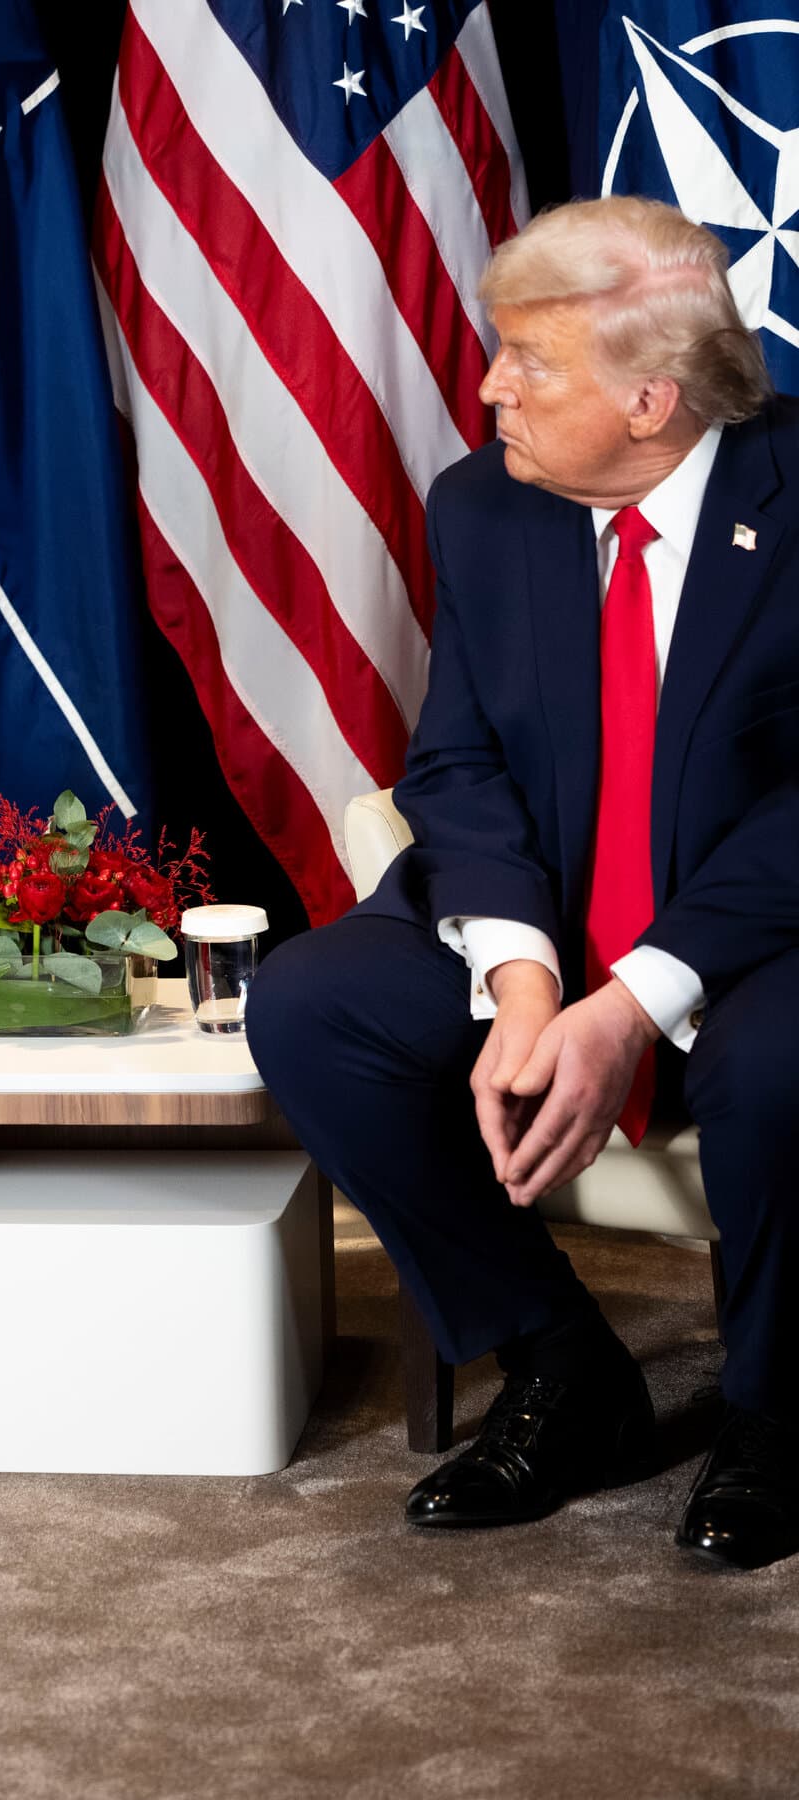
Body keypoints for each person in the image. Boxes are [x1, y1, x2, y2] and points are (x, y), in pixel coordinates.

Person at [250, 196, 799, 1570]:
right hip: (552, 907)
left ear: (650, 400)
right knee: (318, 1004)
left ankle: (775, 1418)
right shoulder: (486, 506)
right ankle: (560, 1367)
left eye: (530, 363)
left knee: (778, 1063)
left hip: (756, 932)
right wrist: (526, 980)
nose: (489, 384)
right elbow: (458, 764)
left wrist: (632, 1006)